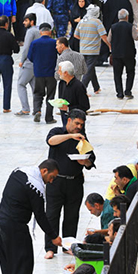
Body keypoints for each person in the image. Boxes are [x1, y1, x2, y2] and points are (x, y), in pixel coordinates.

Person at [0, 159, 62, 274]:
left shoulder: (18, 172)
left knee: (9, 266)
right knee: (23, 267)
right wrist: (53, 236)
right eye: (51, 177)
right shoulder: (35, 187)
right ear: (44, 171)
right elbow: (40, 215)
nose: (51, 181)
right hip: (15, 230)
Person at [45, 109, 96, 259]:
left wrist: (84, 161)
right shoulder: (57, 132)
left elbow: (91, 160)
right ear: (69, 121)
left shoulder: (82, 138)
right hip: (56, 182)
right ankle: (50, 248)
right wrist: (70, 136)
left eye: (81, 124)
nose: (79, 127)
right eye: (77, 123)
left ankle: (68, 245)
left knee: (72, 215)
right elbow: (51, 141)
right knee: (52, 215)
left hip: (75, 182)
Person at [74, 5, 111, 94]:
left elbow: (76, 35)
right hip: (93, 50)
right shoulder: (97, 22)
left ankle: (96, 88)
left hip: (83, 49)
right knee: (88, 70)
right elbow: (103, 36)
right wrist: (110, 45)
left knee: (90, 68)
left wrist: (85, 39)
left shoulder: (82, 21)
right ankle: (82, 89)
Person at [27, 23, 58, 124]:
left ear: (40, 32)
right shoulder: (54, 42)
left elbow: (30, 57)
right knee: (51, 95)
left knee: (38, 93)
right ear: (50, 32)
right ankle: (49, 118)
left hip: (38, 72)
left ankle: (37, 111)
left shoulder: (35, 43)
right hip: (51, 73)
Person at [109, 8, 138, 99]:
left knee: (117, 74)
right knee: (130, 73)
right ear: (127, 17)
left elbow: (109, 39)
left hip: (116, 54)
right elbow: (136, 37)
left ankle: (119, 93)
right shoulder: (131, 26)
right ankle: (128, 91)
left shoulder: (113, 27)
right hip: (129, 54)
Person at [15, 13, 39, 116]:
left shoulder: (30, 31)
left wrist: (22, 60)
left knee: (21, 84)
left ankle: (25, 108)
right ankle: (37, 109)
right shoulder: (38, 30)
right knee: (34, 86)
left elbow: (26, 48)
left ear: (31, 22)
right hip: (37, 62)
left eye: (26, 21)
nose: (24, 23)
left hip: (29, 62)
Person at [57, 61, 90, 126]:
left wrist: (68, 108)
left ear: (65, 73)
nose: (58, 72)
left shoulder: (78, 86)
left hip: (76, 122)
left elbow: (85, 106)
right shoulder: (62, 84)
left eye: (60, 71)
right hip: (65, 119)